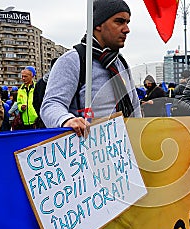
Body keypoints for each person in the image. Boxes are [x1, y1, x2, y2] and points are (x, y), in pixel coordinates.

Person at [41, 0, 141, 137]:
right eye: (119, 22)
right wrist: (67, 120)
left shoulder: (120, 63)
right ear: (98, 24)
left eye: (127, 23)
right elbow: (51, 105)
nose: (126, 29)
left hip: (124, 150)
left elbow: (135, 107)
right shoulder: (72, 60)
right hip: (88, 150)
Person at [33, 58, 58, 128]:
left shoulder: (40, 82)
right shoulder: (63, 82)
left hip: (44, 119)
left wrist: (42, 114)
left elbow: (35, 102)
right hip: (60, 121)